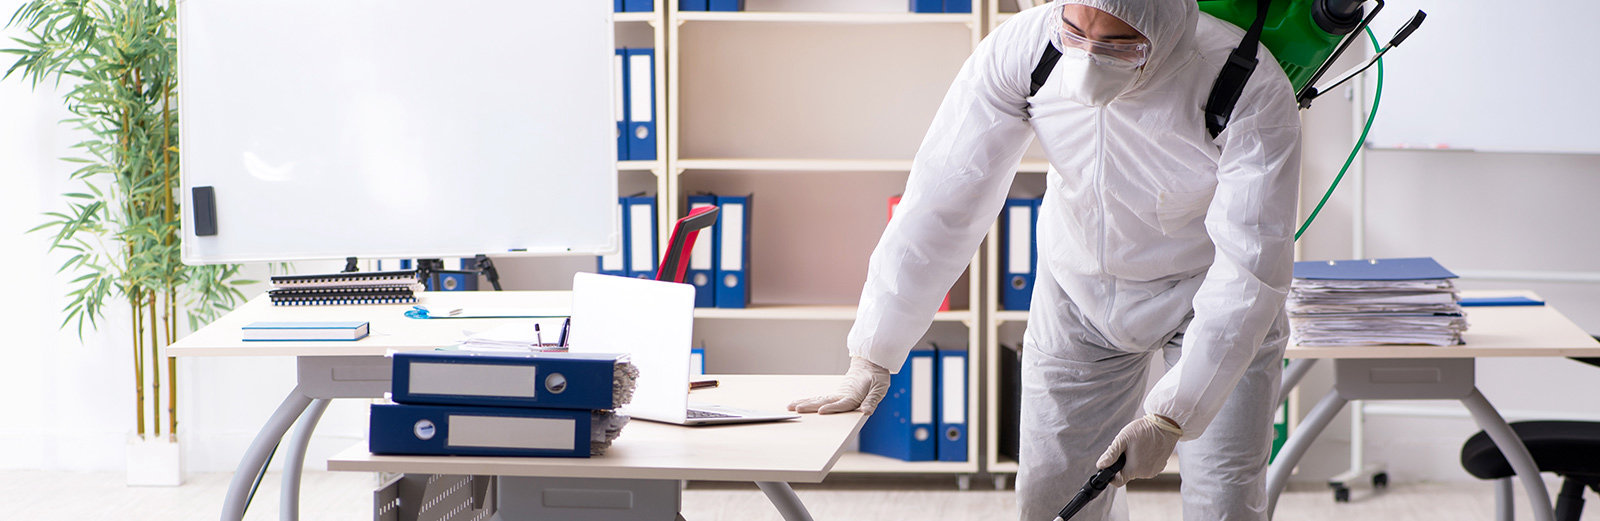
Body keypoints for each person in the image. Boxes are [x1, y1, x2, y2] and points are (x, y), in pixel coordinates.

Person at [787, 0, 1301, 519]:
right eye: (1075, 33)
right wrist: (874, 350)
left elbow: (1250, 266)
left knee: (1224, 502)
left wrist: (1174, 415)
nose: (1089, 61)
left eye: (1118, 46)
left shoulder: (1247, 84)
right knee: (1053, 496)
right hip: (1079, 292)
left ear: (1166, 31)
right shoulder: (1026, 48)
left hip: (1210, 295)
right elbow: (942, 198)